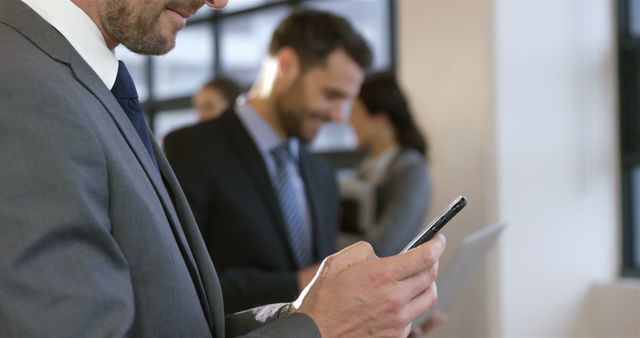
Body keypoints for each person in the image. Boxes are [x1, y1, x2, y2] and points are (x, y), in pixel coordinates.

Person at [0, 0, 445, 337]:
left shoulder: (83, 86)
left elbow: (180, 320)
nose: (219, 1)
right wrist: (319, 328)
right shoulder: (23, 88)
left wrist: (325, 316)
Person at [164, 10, 353, 314]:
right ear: (287, 66)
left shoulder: (322, 174)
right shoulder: (189, 149)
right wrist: (300, 283)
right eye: (331, 94)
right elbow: (180, 284)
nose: (338, 115)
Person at [347, 71, 433, 257]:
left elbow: (384, 246)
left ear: (380, 116)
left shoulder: (411, 171)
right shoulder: (366, 167)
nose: (349, 121)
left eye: (355, 112)